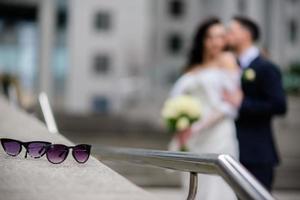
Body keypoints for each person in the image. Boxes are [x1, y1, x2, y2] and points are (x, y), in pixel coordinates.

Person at [168, 17, 242, 200]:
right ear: (202, 39)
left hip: (218, 133)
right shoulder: (191, 68)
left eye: (220, 36)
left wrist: (199, 126)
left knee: (217, 186)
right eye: (210, 37)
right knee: (194, 185)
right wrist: (181, 123)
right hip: (192, 137)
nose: (216, 41)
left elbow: (231, 103)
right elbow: (176, 98)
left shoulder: (227, 60)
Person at [226, 16, 287, 191]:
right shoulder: (229, 65)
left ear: (246, 34)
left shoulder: (266, 67)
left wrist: (242, 103)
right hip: (230, 148)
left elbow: (279, 106)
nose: (227, 35)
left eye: (232, 30)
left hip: (257, 152)